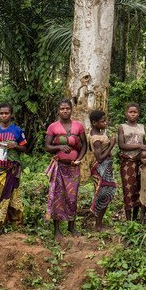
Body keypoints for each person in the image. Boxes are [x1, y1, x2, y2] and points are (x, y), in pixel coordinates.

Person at [45, 99, 87, 240]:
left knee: (72, 196)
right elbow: (47, 146)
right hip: (59, 167)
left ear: (71, 109)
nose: (65, 111)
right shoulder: (53, 127)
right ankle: (57, 229)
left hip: (73, 168)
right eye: (62, 109)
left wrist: (78, 159)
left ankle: (71, 225)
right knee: (57, 196)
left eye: (67, 108)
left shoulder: (78, 126)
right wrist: (59, 147)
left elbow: (84, 146)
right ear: (58, 110)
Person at [0, 103, 26, 237]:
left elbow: (24, 148)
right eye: (1, 113)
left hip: (12, 168)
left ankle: (15, 223)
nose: (4, 115)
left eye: (6, 113)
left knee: (14, 195)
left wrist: (15, 145)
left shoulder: (17, 130)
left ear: (11, 114)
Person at [87, 110, 117, 231]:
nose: (105, 123)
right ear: (94, 123)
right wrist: (111, 145)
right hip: (101, 168)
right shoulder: (96, 138)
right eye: (102, 121)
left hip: (105, 168)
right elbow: (99, 158)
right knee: (103, 193)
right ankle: (98, 224)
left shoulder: (95, 133)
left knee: (104, 192)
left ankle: (99, 223)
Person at [116, 103, 146, 221]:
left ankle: (136, 218)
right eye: (130, 112)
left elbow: (144, 144)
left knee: (139, 189)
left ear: (138, 114)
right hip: (128, 162)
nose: (133, 114)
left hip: (141, 162)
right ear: (126, 113)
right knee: (128, 190)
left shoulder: (142, 126)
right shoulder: (122, 127)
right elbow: (122, 145)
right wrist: (139, 146)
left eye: (135, 112)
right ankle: (128, 220)